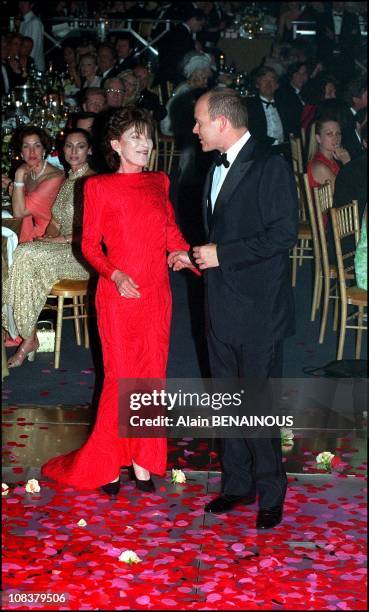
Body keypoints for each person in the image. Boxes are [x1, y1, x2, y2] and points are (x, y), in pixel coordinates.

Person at [41, 107, 198, 495]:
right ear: (116, 145)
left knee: (149, 379)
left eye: (147, 136)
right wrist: (115, 273)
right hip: (117, 294)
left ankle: (143, 464)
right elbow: (89, 246)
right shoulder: (98, 187)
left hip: (156, 296)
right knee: (119, 378)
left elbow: (170, 231)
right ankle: (109, 464)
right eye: (135, 137)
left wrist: (186, 255)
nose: (145, 144)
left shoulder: (159, 181)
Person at [170, 89, 298, 529]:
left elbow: (283, 235)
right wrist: (196, 255)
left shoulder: (270, 164)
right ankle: (238, 485)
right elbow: (221, 232)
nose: (194, 129)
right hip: (220, 302)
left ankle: (271, 491)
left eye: (199, 121)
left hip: (259, 308)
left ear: (222, 122)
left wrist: (222, 254)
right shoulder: (213, 167)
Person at [2, 128, 94, 367]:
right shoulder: (68, 180)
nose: (73, 151)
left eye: (80, 146)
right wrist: (48, 238)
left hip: (82, 253)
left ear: (90, 150)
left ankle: (26, 337)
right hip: (60, 249)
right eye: (69, 146)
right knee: (23, 255)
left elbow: (94, 232)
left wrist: (57, 241)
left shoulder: (92, 181)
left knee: (25, 254)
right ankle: (28, 336)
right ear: (62, 151)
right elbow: (54, 222)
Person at [2, 126, 64, 243]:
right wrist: (11, 184)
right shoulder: (29, 171)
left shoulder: (54, 178)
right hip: (28, 230)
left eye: (37, 145)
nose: (32, 151)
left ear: (44, 150)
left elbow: (19, 212)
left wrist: (18, 174)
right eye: (26, 146)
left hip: (46, 237)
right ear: (21, 153)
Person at [307, 116, 350, 192]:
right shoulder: (320, 167)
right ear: (318, 138)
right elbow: (346, 193)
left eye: (338, 133)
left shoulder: (331, 160)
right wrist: (347, 163)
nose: (336, 138)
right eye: (329, 134)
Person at [18, 0, 45, 72]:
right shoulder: (23, 22)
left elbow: (34, 48)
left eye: (25, 2)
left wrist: (27, 66)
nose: (22, 4)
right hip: (25, 66)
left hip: (34, 67)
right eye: (20, 1)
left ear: (31, 5)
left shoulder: (35, 22)